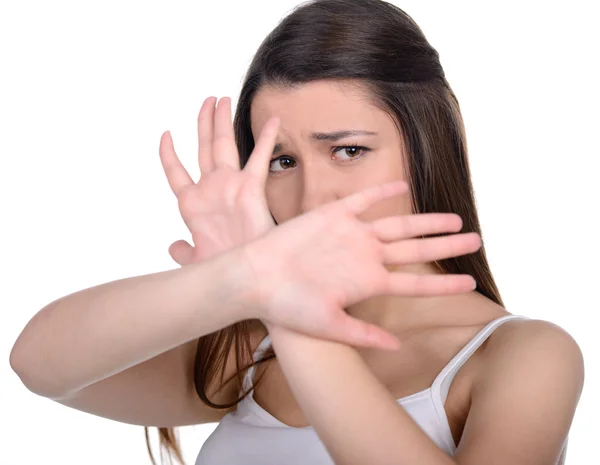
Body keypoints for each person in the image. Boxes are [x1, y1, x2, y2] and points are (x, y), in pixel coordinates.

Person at [10, 0, 583, 464]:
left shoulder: (524, 356)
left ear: (425, 146)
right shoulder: (247, 347)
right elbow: (39, 366)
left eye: (349, 150)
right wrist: (240, 276)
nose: (312, 198)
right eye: (282, 162)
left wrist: (294, 317)